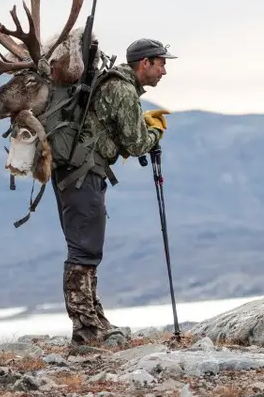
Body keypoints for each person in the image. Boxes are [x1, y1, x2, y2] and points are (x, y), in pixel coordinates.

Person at [51, 37, 176, 347]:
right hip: (81, 174)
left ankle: (95, 320)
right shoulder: (122, 89)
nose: (164, 71)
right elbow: (136, 144)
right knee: (83, 250)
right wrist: (155, 131)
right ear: (144, 63)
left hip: (78, 173)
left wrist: (141, 126)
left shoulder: (116, 85)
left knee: (88, 248)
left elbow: (117, 132)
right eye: (161, 64)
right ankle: (85, 331)